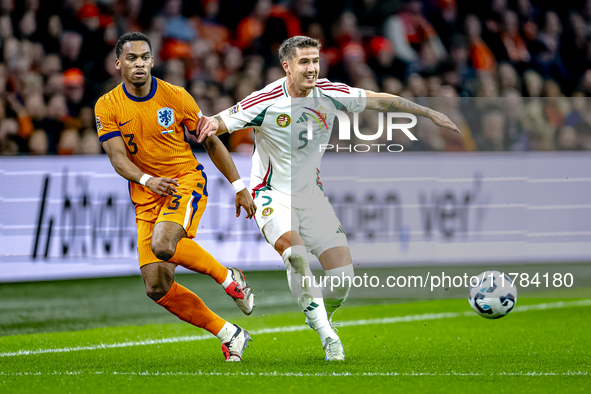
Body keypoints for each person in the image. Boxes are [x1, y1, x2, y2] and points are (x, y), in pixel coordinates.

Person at [196, 36, 460, 361]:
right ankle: (327, 336)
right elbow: (213, 127)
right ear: (287, 66)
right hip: (270, 194)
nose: (312, 68)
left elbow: (381, 101)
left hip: (312, 198)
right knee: (295, 256)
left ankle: (322, 315)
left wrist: (427, 112)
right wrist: (237, 184)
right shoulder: (264, 100)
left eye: (315, 61)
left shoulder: (332, 95)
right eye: (304, 62)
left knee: (342, 280)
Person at [94, 32, 257, 362]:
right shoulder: (107, 105)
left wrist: (239, 186)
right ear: (118, 64)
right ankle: (230, 333)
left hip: (185, 181)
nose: (138, 63)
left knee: (164, 244)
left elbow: (210, 141)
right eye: (131, 58)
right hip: (146, 192)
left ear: (152, 61)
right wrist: (146, 179)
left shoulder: (175, 96)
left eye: (144, 57)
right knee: (156, 286)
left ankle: (229, 278)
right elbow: (116, 157)